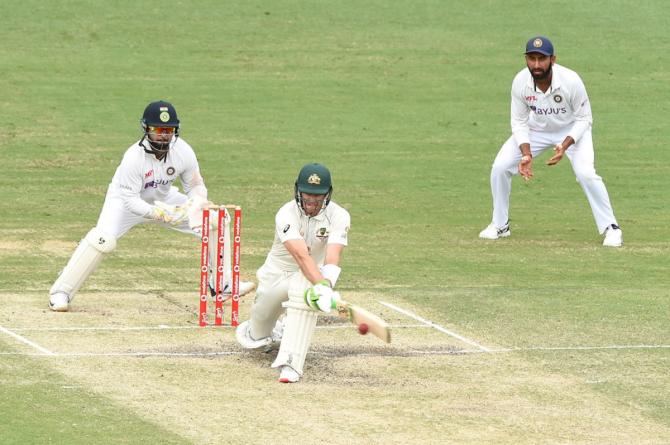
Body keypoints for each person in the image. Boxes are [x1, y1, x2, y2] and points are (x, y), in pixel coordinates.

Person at [49, 100, 254, 312]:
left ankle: (223, 286)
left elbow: (196, 185)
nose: (164, 135)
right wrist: (159, 213)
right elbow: (129, 199)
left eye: (169, 130)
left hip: (163, 200)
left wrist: (195, 204)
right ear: (146, 129)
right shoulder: (133, 158)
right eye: (158, 130)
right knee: (102, 241)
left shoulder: (183, 151)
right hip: (124, 204)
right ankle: (61, 291)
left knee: (217, 219)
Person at [479, 36, 622, 247]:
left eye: (541, 59)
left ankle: (611, 228)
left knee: (585, 173)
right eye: (531, 58)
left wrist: (564, 145)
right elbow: (519, 122)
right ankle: (500, 225)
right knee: (500, 167)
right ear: (526, 59)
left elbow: (585, 119)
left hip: (572, 130)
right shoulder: (520, 82)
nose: (536, 65)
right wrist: (526, 153)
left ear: (552, 59)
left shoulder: (571, 80)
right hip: (537, 130)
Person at [235, 163, 350, 383]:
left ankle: (291, 363)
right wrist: (323, 286)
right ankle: (275, 329)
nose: (311, 200)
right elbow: (300, 255)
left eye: (318, 195)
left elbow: (333, 256)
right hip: (277, 275)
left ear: (328, 193)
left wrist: (326, 285)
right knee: (257, 337)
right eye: (307, 193)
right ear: (297, 190)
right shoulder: (286, 213)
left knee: (305, 295)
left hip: (310, 275)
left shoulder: (339, 216)